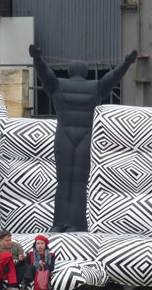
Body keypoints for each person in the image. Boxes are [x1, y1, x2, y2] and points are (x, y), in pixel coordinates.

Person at [29, 44, 138, 232]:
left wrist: (37, 58)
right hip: (85, 137)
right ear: (86, 72)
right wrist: (127, 62)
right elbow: (112, 78)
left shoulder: (57, 85)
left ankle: (58, 223)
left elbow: (44, 73)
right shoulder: (94, 87)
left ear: (69, 71)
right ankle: (77, 224)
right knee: (80, 183)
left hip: (63, 136)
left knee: (62, 181)